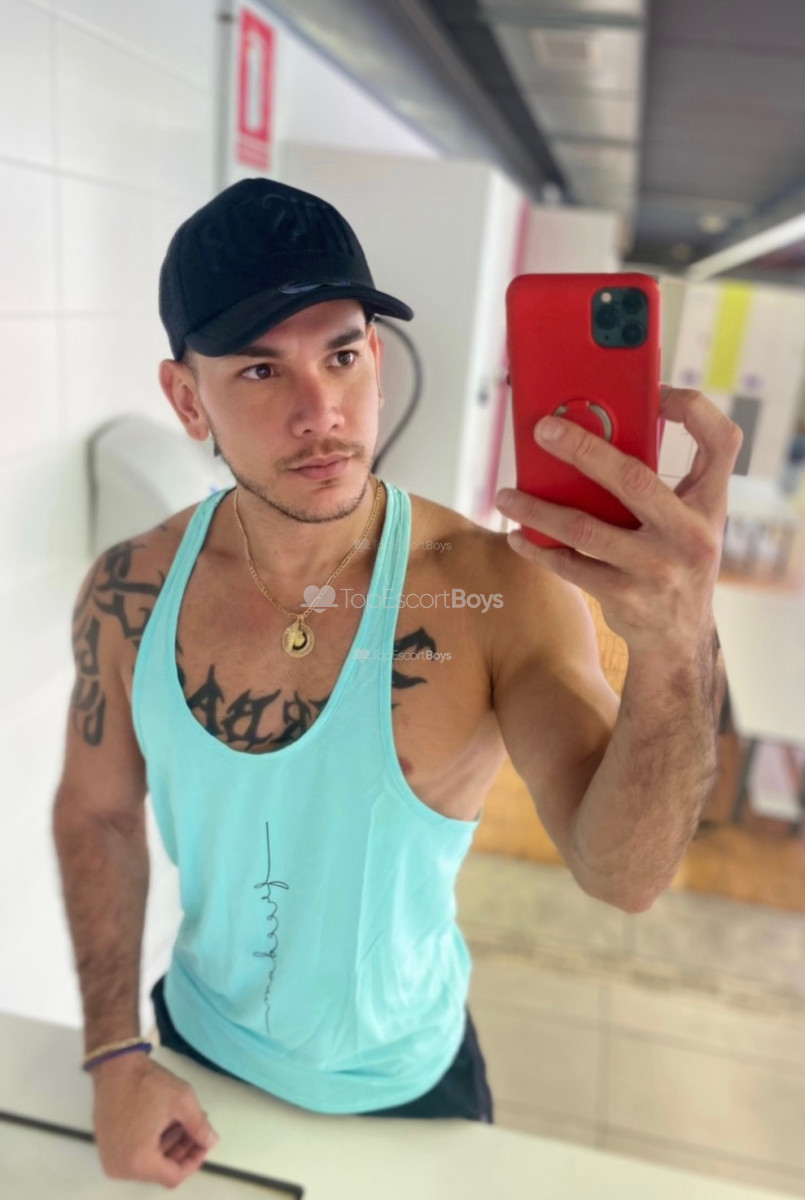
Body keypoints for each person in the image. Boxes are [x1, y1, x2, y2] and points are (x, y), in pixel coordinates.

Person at [53, 178, 739, 1189]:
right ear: (186, 399)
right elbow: (98, 811)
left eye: (341, 355)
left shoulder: (492, 588)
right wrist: (114, 1053)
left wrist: (678, 650)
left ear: (375, 357)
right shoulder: (130, 591)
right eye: (259, 370)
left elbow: (622, 875)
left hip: (410, 1087)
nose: (319, 412)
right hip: (195, 1055)